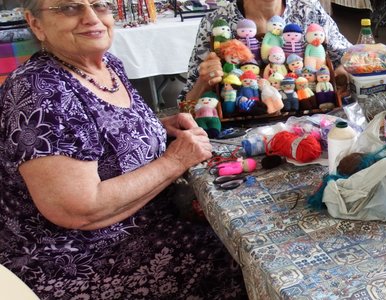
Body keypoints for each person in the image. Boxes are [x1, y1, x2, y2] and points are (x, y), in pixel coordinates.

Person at [0, 0, 245, 298]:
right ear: (35, 23)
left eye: (100, 5)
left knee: (238, 230)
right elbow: (79, 210)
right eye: (70, 8)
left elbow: (101, 130)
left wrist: (155, 128)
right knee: (241, 260)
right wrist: (175, 161)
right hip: (79, 259)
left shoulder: (107, 65)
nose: (92, 18)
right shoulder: (41, 92)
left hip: (145, 223)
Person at [180, 0, 352, 103]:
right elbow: (187, 104)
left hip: (306, 112)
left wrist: (341, 72)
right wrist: (204, 82)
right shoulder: (216, 22)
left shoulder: (308, 10)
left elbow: (349, 58)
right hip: (241, 120)